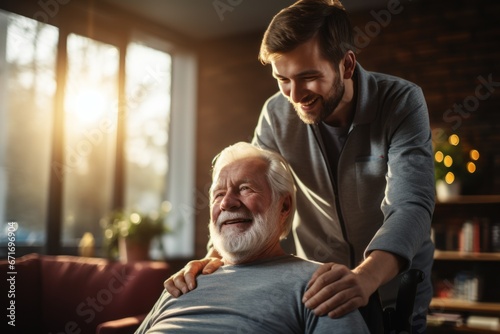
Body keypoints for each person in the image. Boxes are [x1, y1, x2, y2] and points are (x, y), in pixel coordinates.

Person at [165, 0, 435, 331]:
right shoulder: (277, 113)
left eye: (308, 77)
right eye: (283, 79)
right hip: (318, 287)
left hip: (391, 281)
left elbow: (412, 205)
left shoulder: (401, 102)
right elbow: (253, 188)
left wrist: (366, 277)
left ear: (346, 65)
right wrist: (214, 258)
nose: (295, 95)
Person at [136, 142, 369, 333]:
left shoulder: (321, 283)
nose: (227, 203)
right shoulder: (184, 280)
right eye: (218, 194)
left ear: (284, 206)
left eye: (245, 188)